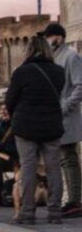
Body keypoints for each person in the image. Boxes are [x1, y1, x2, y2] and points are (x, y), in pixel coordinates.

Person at [6, 35, 66, 225]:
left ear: (29, 50)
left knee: (28, 168)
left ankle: (27, 212)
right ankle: (55, 212)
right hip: (51, 124)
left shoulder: (21, 72)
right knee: (54, 168)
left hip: (26, 126)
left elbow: (10, 101)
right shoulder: (59, 72)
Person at [45, 23, 82, 218]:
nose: (48, 41)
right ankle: (71, 200)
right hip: (55, 116)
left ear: (58, 37)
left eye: (50, 37)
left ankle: (75, 201)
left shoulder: (71, 56)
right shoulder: (53, 58)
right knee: (63, 159)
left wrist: (65, 106)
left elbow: (80, 86)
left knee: (69, 158)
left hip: (66, 115)